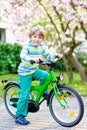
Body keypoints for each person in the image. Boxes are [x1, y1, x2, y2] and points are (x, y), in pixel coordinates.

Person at [15, 25, 62, 125]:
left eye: (40, 37)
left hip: (34, 70)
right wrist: (31, 59)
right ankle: (20, 116)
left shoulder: (40, 47)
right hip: (25, 72)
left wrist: (55, 55)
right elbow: (22, 55)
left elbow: (47, 55)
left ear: (42, 39)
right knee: (25, 94)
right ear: (30, 36)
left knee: (45, 75)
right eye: (35, 36)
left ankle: (44, 92)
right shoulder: (27, 46)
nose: (37, 39)